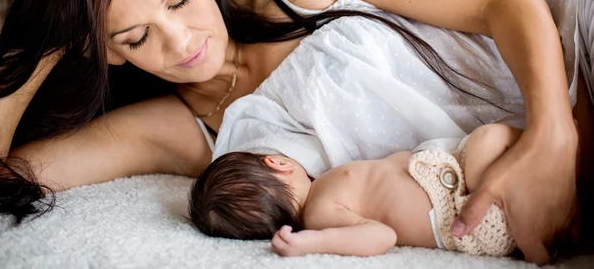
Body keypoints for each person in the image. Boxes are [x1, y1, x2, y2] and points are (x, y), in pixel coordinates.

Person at [0, 0, 588, 264]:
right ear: (109, 54)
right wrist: (45, 44)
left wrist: (553, 137)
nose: (182, 43)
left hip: (578, 52)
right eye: (135, 36)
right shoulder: (178, 130)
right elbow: (4, 170)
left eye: (178, 0)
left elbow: (506, 4)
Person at [189, 124, 533, 257]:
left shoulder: (323, 190)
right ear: (277, 164)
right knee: (490, 139)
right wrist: (316, 242)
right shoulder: (319, 214)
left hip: (456, 182)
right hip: (465, 212)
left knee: (493, 147)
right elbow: (381, 236)